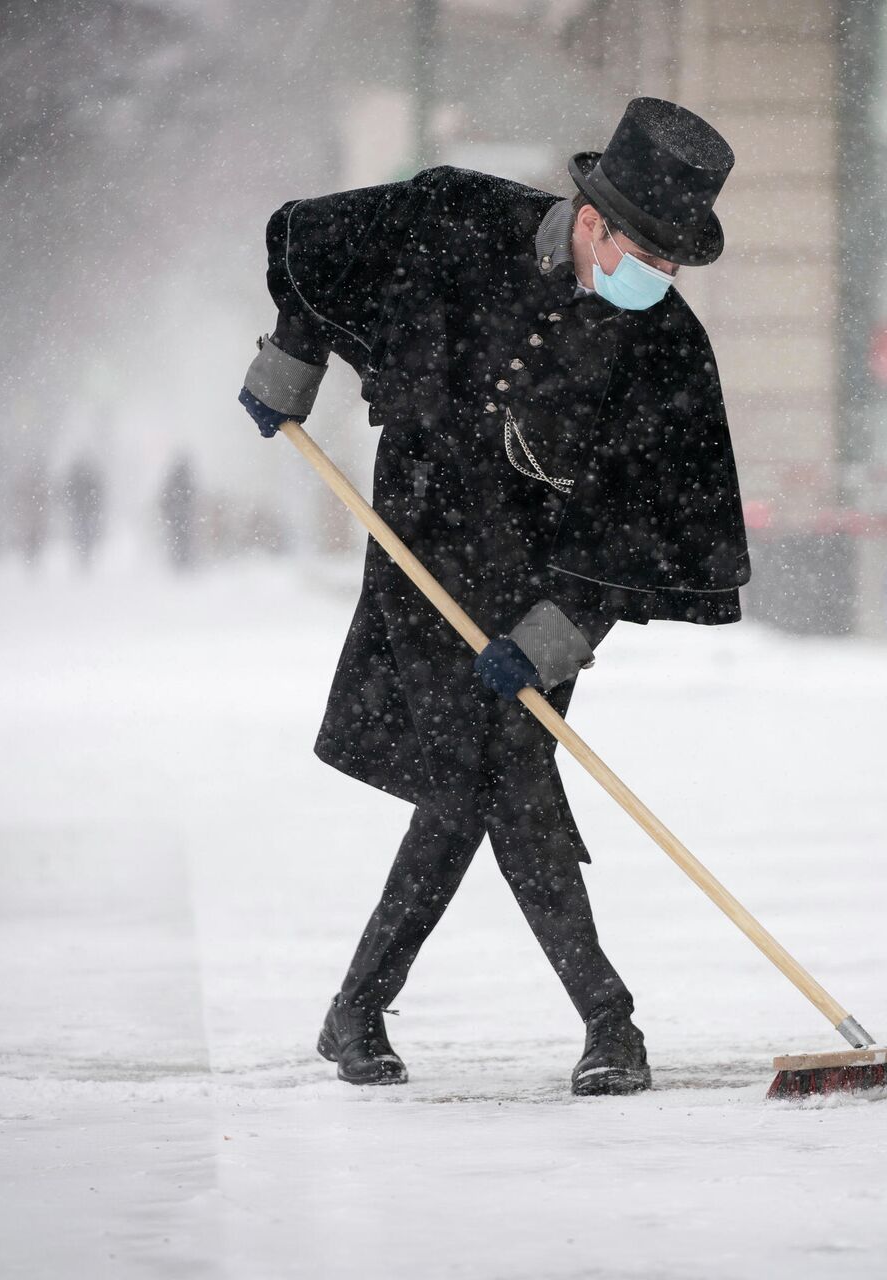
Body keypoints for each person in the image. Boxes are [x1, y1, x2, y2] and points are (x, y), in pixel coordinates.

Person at [238, 98, 750, 1095]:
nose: (660, 280)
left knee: (488, 775)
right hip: (422, 539)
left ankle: (362, 1010)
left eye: (676, 266)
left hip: (537, 583)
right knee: (486, 777)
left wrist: (559, 629)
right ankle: (607, 1020)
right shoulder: (455, 218)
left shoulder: (662, 345)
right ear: (593, 218)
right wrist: (290, 357)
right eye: (649, 254)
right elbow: (317, 245)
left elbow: (643, 523)